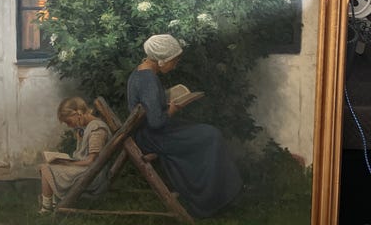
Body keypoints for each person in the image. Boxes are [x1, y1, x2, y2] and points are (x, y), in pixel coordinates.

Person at [127, 34, 242, 218]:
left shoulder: (139, 73)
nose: (175, 66)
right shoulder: (149, 80)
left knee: (205, 133)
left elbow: (151, 111)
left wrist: (165, 104)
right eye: (174, 61)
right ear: (162, 60)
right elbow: (156, 123)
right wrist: (173, 109)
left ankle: (209, 194)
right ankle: (207, 199)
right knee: (211, 135)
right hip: (152, 136)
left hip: (148, 133)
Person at [38, 97, 111, 214]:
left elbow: (92, 161)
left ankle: (46, 208)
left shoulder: (97, 129)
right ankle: (51, 204)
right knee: (46, 166)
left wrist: (67, 163)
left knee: (46, 168)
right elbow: (83, 155)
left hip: (94, 174)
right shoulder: (87, 128)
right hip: (86, 169)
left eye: (69, 122)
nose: (69, 126)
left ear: (78, 114)